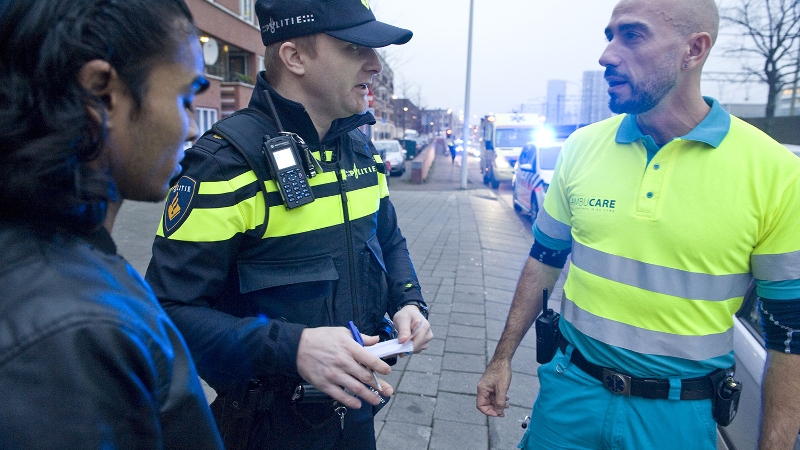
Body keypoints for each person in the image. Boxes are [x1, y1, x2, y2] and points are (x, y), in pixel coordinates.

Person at [476, 0, 800, 449]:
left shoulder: (775, 174)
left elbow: (789, 337)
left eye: (632, 35)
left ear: (694, 50)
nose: (607, 54)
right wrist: (501, 359)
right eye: (609, 36)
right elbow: (543, 261)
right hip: (567, 397)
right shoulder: (582, 148)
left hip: (677, 418)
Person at [143, 0, 434, 448]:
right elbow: (166, 316)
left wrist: (408, 300)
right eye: (356, 48)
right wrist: (292, 346)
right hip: (265, 427)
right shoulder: (224, 166)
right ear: (294, 57)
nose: (375, 64)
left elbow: (389, 239)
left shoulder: (358, 149)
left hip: (356, 413)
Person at [0, 0, 223, 448]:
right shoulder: (76, 334)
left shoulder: (53, 251)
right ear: (102, 93)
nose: (191, 130)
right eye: (184, 97)